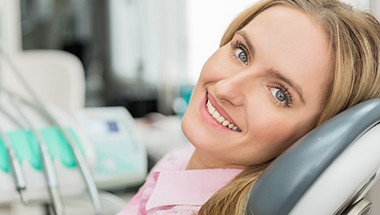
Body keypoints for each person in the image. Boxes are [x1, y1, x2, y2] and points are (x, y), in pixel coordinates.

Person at [117, 0, 380, 214]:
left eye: (279, 93)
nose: (225, 89)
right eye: (242, 53)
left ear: (314, 138)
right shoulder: (182, 159)